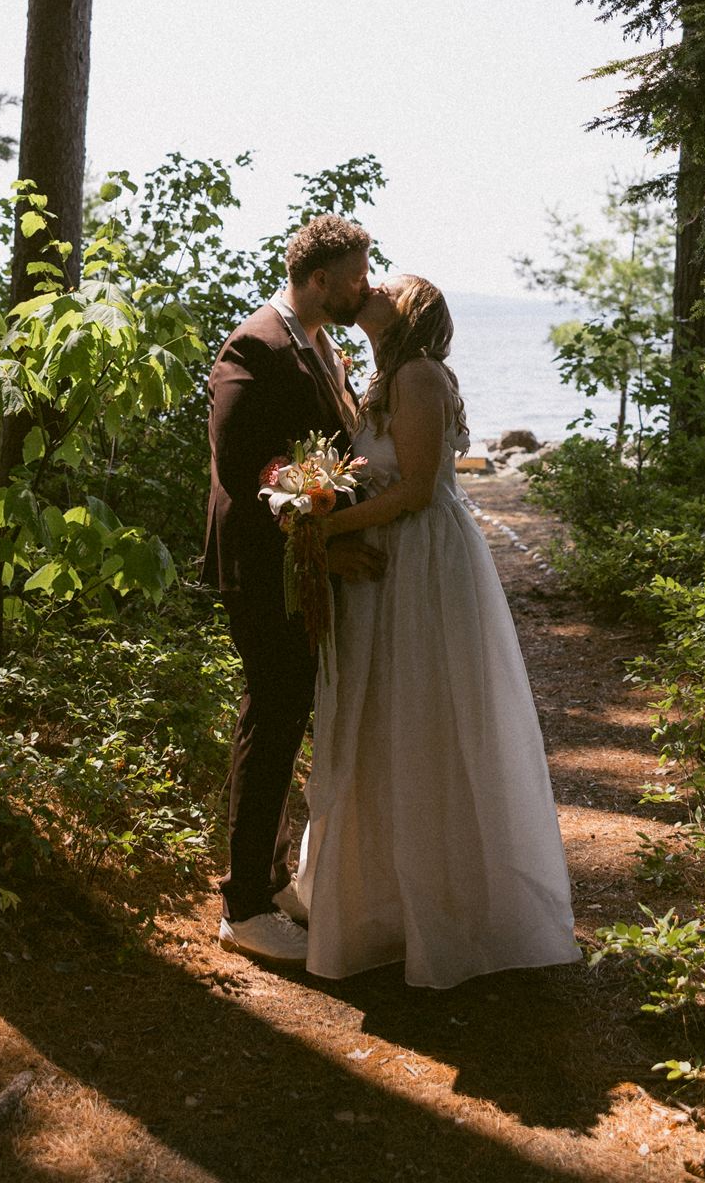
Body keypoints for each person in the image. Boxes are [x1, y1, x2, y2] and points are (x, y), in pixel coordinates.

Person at [297, 275, 577, 988]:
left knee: (422, 720)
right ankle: (385, 903)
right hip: (389, 559)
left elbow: (416, 489)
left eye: (387, 285)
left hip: (419, 560)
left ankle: (446, 909)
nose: (372, 285)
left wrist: (320, 527)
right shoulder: (381, 376)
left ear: (411, 311)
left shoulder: (418, 376)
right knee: (384, 722)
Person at [202, 214, 385, 962]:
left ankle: (272, 877)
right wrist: (312, 549)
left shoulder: (319, 344)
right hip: (262, 563)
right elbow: (246, 469)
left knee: (288, 712)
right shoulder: (256, 345)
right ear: (317, 282)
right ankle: (243, 906)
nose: (363, 288)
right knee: (271, 716)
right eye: (352, 278)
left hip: (299, 563)